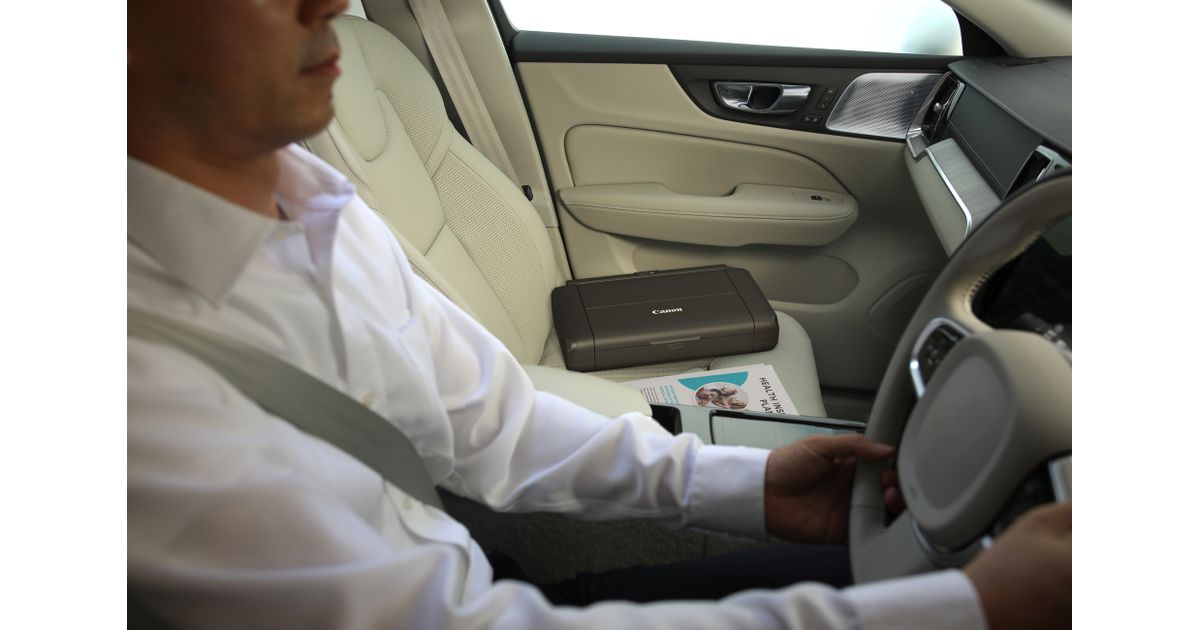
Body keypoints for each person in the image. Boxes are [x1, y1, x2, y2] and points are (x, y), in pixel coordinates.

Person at [127, 1, 1071, 628]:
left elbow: (489, 420)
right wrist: (972, 611)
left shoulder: (307, 194)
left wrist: (745, 486)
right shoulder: (130, 387)